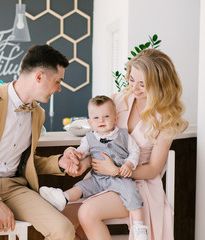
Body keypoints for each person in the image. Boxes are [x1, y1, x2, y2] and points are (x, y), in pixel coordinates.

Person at [0, 44, 84, 240]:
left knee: (63, 229)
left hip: (13, 187)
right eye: (57, 81)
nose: (59, 89)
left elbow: (24, 161)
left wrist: (59, 161)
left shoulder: (38, 114)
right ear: (39, 76)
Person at [63, 49, 188, 240]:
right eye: (131, 80)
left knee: (87, 212)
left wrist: (115, 170)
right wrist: (83, 161)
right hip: (101, 179)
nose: (135, 88)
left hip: (139, 184)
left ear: (160, 83)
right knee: (63, 218)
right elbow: (98, 140)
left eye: (142, 84)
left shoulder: (167, 119)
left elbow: (154, 169)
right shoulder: (118, 100)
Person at [39, 95, 149, 239]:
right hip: (97, 179)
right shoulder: (89, 138)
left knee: (130, 192)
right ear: (90, 122)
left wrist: (129, 164)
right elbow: (81, 151)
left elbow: (135, 151)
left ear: (115, 118)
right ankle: (63, 197)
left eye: (106, 116)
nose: (101, 120)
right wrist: (73, 154)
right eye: (96, 118)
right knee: (81, 187)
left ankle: (139, 227)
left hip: (119, 179)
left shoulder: (123, 136)